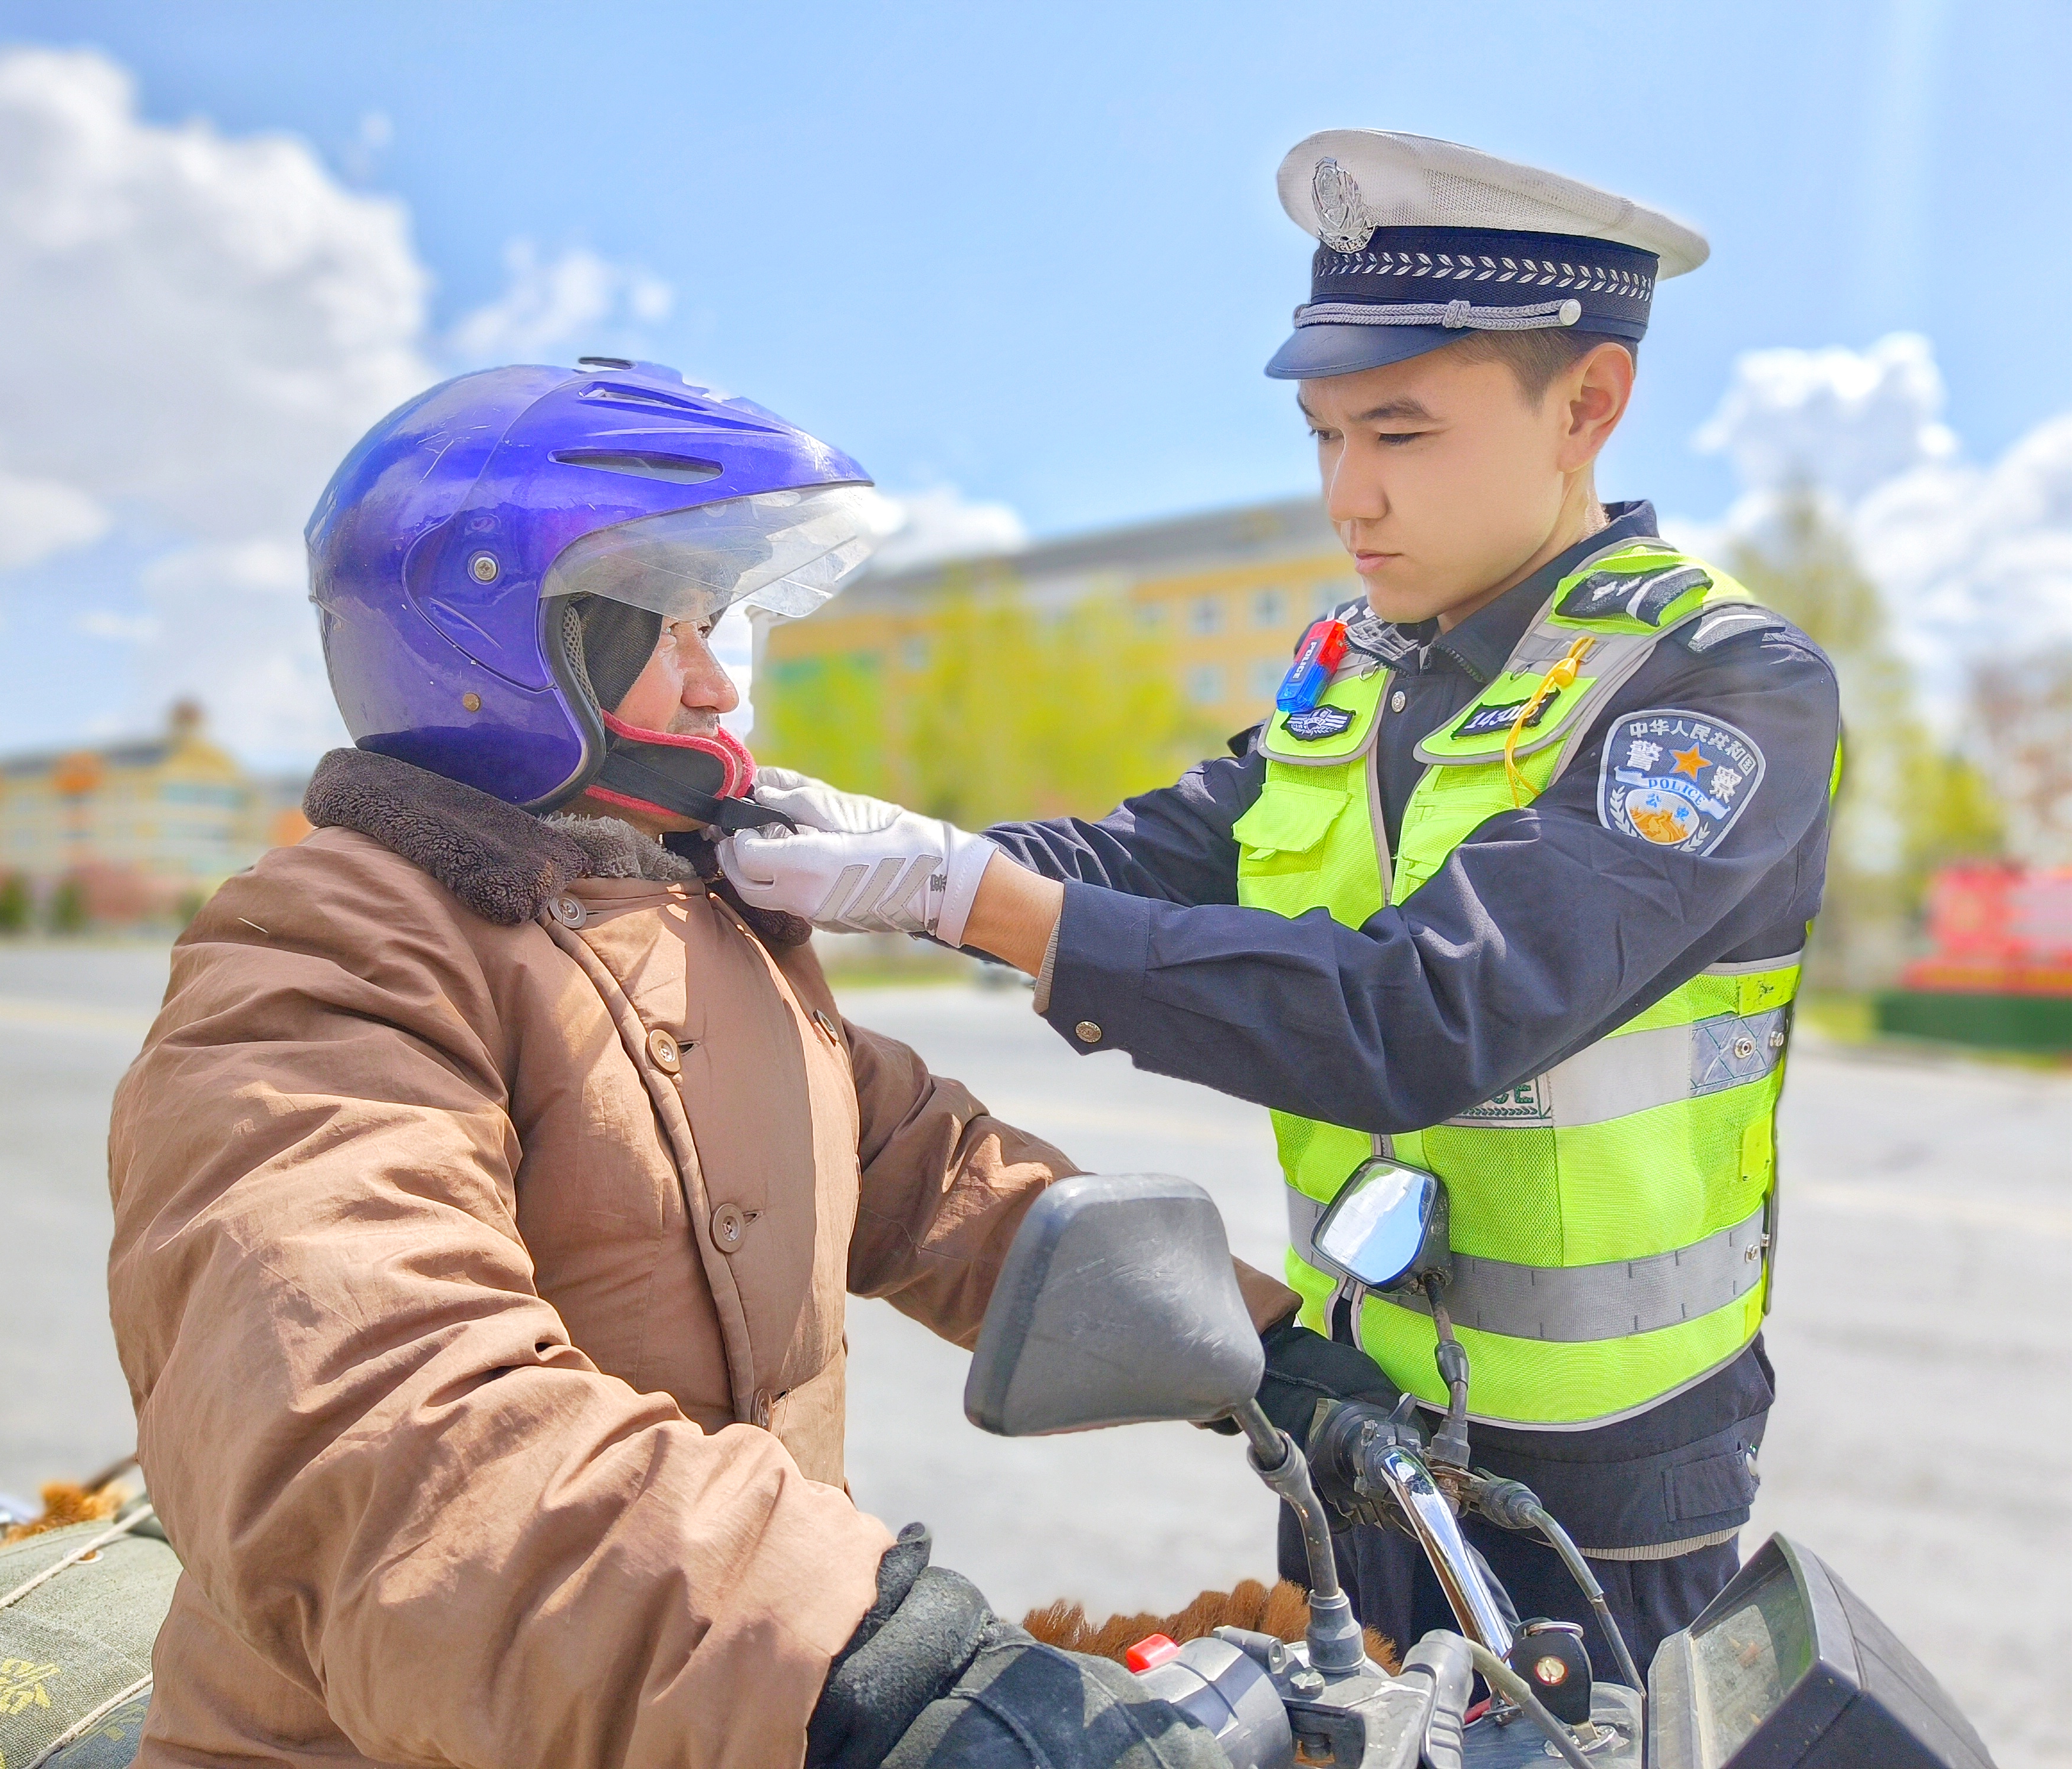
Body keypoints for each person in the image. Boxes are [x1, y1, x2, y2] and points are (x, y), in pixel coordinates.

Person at [720, 133, 1841, 1676]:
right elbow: (1153, 858)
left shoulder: (1715, 689)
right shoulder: (1358, 674)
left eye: (1400, 432)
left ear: (1587, 403)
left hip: (1605, 1474)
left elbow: (1432, 1011)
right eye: (1324, 437)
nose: (1348, 496)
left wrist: (974, 900)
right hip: (1350, 1409)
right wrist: (881, 859)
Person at [105, 359, 1295, 1769]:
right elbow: (370, 1415)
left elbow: (921, 1169)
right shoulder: (326, 948)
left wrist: (1263, 1353)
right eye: (661, 629)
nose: (716, 680)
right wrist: (873, 1667)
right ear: (500, 643)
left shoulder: (702, 913)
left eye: (713, 624)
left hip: (721, 1713)